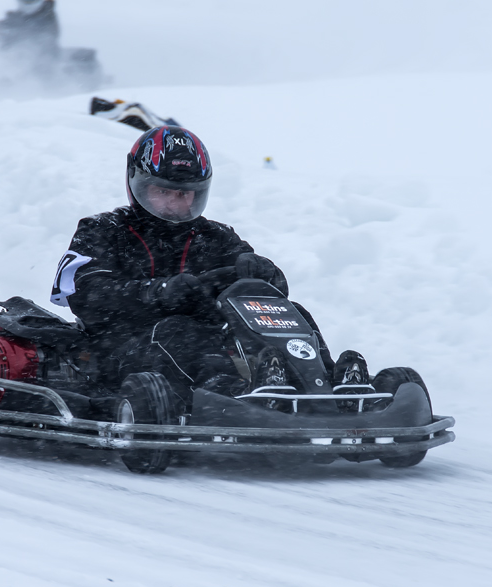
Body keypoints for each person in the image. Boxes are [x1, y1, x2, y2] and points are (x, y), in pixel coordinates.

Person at [50, 125, 366, 404]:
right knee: (178, 330)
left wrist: (266, 274)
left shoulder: (214, 235)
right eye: (164, 192)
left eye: (188, 194)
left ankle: (328, 385)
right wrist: (158, 292)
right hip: (120, 350)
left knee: (289, 312)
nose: (178, 203)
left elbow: (262, 292)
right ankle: (230, 394)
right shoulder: (104, 229)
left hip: (214, 343)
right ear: (138, 183)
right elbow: (83, 293)